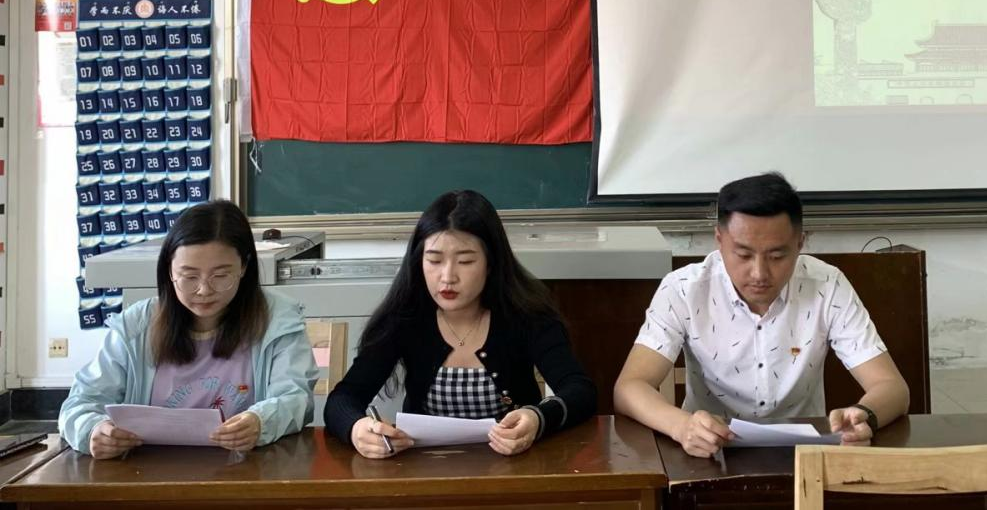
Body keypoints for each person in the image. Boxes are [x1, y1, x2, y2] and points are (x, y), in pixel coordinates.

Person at [613, 172, 909, 458]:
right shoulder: (684, 289)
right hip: (708, 452)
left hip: (804, 455)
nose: (759, 273)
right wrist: (681, 426)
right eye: (743, 255)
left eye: (777, 256)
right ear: (719, 240)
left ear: (800, 243)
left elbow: (892, 387)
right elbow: (629, 387)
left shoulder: (827, 285)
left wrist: (865, 416)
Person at [325, 189, 596, 458]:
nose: (447, 277)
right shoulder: (404, 319)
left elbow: (581, 391)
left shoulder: (528, 315)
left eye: (465, 261)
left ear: (491, 263)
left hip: (514, 464)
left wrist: (538, 418)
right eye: (434, 260)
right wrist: (357, 428)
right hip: (423, 470)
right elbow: (342, 399)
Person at [59, 200, 318, 458]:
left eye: (220, 276)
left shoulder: (276, 320)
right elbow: (81, 403)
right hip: (148, 472)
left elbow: (296, 397)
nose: (204, 290)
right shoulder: (136, 325)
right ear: (169, 270)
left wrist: (261, 421)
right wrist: (93, 429)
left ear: (244, 267)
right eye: (189, 276)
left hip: (247, 469)